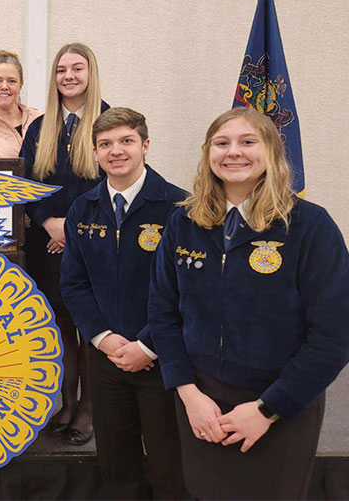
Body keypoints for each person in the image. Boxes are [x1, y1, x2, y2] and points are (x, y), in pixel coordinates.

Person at [149, 107, 349, 499]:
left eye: (247, 142)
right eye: (222, 143)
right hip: (202, 403)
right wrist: (188, 394)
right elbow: (162, 313)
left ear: (272, 153)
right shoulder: (184, 223)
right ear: (208, 154)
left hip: (279, 407)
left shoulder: (310, 226)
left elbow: (334, 335)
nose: (233, 152)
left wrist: (267, 409)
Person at [60, 108, 188, 498]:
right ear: (95, 153)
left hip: (163, 359)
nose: (116, 151)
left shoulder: (179, 208)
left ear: (145, 145)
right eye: (105, 144)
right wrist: (102, 338)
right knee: (117, 467)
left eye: (126, 141)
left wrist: (146, 345)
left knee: (171, 466)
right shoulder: (83, 209)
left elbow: (188, 290)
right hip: (107, 359)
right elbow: (74, 283)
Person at [20, 42, 109, 445]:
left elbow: (116, 183)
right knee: (58, 326)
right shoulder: (40, 127)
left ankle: (89, 409)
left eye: (77, 68)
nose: (68, 76)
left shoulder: (108, 123)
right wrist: (47, 222)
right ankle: (66, 404)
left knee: (88, 329)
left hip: (93, 247)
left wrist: (70, 229)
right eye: (61, 70)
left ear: (90, 74)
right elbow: (24, 185)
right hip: (47, 246)